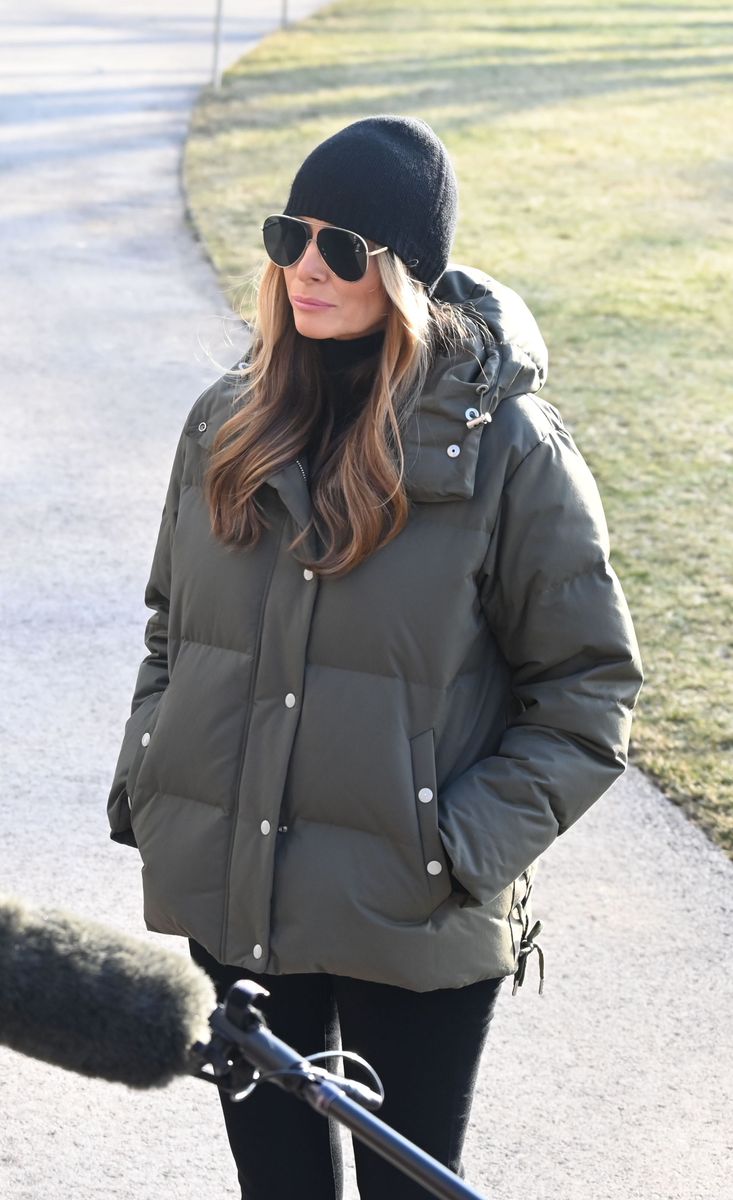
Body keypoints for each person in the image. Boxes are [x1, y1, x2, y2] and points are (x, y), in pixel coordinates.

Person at [107, 116, 643, 1199]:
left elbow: (588, 691)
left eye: (343, 246)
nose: (307, 265)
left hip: (413, 915)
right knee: (279, 1188)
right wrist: (152, 782)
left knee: (411, 1189)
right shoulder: (228, 418)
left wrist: (449, 851)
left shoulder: (510, 451)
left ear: (407, 271)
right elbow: (173, 624)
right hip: (237, 899)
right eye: (289, 235)